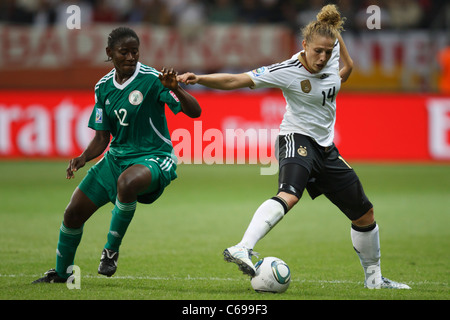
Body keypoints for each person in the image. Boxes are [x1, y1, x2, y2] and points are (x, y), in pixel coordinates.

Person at [178, 5, 410, 289]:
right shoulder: (287, 70)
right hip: (296, 138)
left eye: (328, 51)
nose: (323, 57)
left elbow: (346, 70)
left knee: (365, 215)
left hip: (326, 149)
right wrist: (198, 79)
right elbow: (237, 79)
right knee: (289, 194)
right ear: (304, 45)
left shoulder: (331, 54)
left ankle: (374, 280)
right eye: (317, 51)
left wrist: (337, 38)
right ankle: (243, 247)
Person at [33, 27, 201, 283]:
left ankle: (110, 251)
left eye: (135, 52)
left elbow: (195, 112)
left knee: (127, 182)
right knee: (73, 213)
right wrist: (83, 158)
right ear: (109, 53)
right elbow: (102, 138)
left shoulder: (153, 79)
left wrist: (176, 88)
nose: (131, 57)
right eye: (124, 52)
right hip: (115, 159)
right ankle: (62, 273)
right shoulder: (102, 87)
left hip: (154, 157)